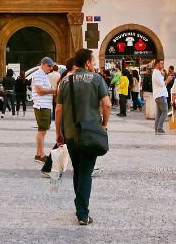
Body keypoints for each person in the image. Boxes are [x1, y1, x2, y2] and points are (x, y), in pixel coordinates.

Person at [55, 48, 110, 226]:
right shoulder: (96, 79)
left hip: (71, 133)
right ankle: (83, 213)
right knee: (86, 172)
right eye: (93, 61)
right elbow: (107, 105)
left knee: (78, 170)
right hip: (90, 133)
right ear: (87, 63)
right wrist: (104, 125)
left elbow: (58, 109)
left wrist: (58, 132)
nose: (94, 65)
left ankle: (79, 206)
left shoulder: (65, 80)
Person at [32, 58, 58, 160]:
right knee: (42, 131)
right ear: (43, 64)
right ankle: (41, 155)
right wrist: (54, 91)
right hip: (41, 105)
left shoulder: (43, 75)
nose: (51, 68)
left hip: (45, 105)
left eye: (51, 66)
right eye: (49, 66)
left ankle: (39, 153)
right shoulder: (39, 74)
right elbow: (39, 90)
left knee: (43, 130)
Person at [150, 60, 169, 135]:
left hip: (158, 94)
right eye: (161, 63)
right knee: (165, 111)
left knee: (159, 113)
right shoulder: (156, 73)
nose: (162, 65)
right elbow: (162, 84)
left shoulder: (157, 73)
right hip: (160, 95)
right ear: (157, 64)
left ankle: (157, 129)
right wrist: (168, 80)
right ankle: (159, 128)